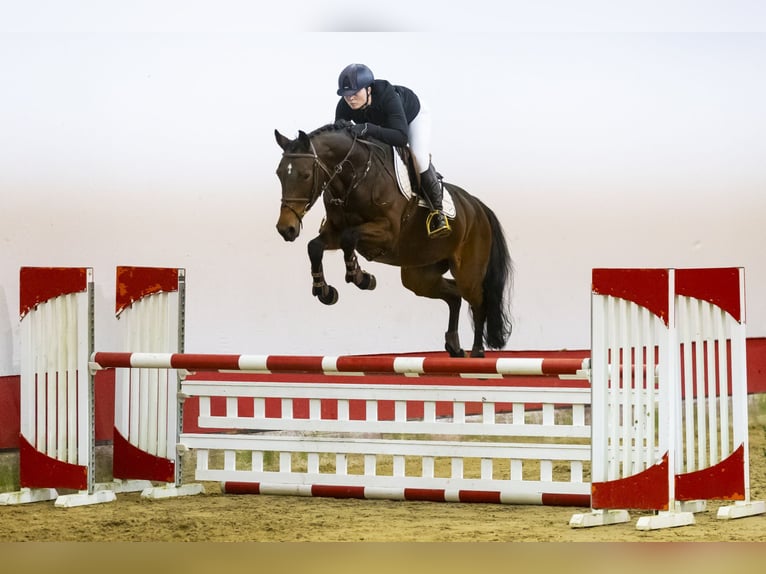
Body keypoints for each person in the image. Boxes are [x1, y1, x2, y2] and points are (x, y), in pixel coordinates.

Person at [334, 63, 450, 238]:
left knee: (418, 157)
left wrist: (368, 128)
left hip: (412, 118)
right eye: (346, 95)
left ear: (369, 89)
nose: (350, 99)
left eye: (355, 93)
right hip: (384, 125)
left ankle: (437, 212)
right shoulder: (344, 106)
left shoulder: (388, 97)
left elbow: (400, 138)